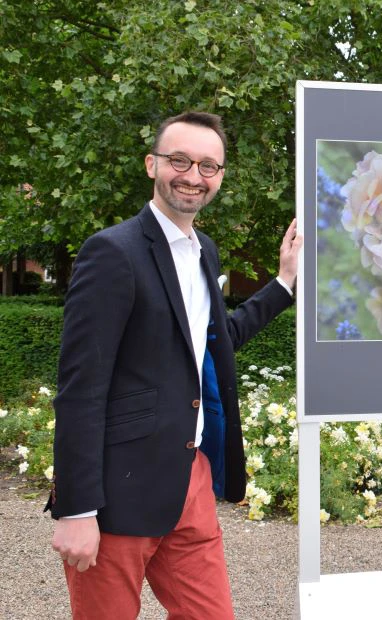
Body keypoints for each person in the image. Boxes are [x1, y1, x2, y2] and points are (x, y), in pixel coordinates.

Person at [45, 111, 302, 618]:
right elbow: (81, 387)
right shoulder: (111, 252)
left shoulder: (203, 250)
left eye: (208, 166)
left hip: (192, 478)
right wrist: (76, 508)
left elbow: (215, 340)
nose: (193, 175)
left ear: (221, 176)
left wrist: (284, 283)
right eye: (179, 160)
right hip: (118, 489)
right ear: (152, 165)